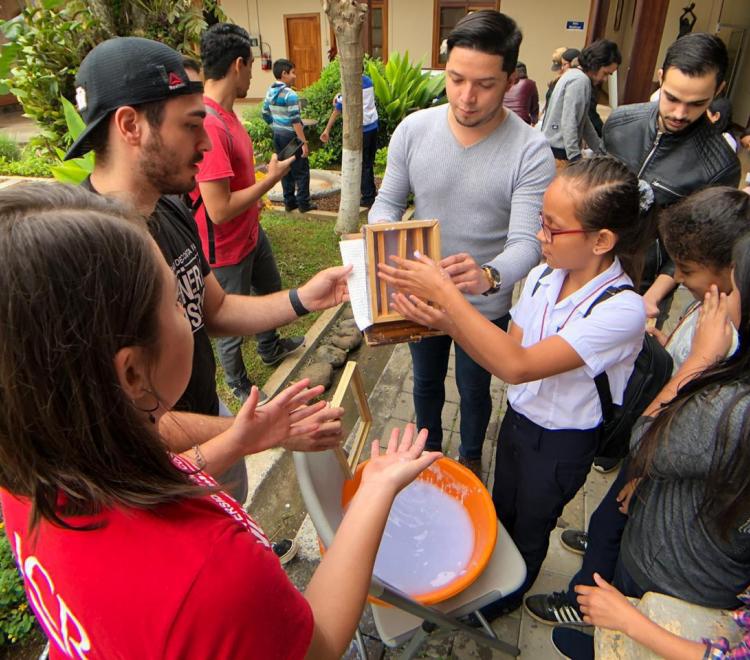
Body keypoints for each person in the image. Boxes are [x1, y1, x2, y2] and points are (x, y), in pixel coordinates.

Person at [0, 182, 442, 657]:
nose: (187, 310)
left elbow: (155, 479)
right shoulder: (213, 577)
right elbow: (321, 643)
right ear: (131, 372)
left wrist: (242, 439)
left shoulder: (32, 476)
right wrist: (375, 487)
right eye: (173, 300)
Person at [63, 36, 349, 506]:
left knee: (237, 506)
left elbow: (214, 307)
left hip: (207, 410)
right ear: (130, 125)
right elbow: (129, 419)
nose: (204, 142)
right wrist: (257, 431)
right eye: (191, 126)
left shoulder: (170, 207)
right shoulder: (89, 255)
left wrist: (303, 299)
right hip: (165, 468)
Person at [380, 155, 647, 618]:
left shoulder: (622, 311)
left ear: (602, 240)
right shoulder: (547, 274)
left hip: (563, 442)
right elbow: (509, 349)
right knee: (502, 507)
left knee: (531, 527)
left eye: (551, 228)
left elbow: (518, 366)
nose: (539, 236)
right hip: (520, 422)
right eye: (541, 222)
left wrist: (447, 296)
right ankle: (490, 576)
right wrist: (445, 319)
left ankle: (507, 596)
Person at [525, 185, 750, 628]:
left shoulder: (731, 388)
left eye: (688, 270)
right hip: (664, 476)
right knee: (611, 522)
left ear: (734, 272)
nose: (679, 280)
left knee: (617, 528)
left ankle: (584, 605)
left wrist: (699, 361)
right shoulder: (718, 309)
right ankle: (597, 557)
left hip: (672, 534)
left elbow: (650, 438)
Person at [368, 10, 555, 477]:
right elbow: (386, 203)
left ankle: (471, 457)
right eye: (456, 79)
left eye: (485, 84)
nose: (467, 97)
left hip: (483, 306)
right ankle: (425, 459)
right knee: (426, 381)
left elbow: (525, 244)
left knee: (474, 390)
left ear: (511, 79)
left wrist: (489, 274)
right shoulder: (414, 129)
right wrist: (385, 244)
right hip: (422, 298)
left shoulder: (530, 150)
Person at [190, 24, 304, 404]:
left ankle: (271, 349)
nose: (253, 74)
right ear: (238, 64)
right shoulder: (209, 122)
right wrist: (270, 180)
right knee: (230, 322)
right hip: (225, 248)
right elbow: (218, 210)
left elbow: (232, 182)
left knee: (270, 293)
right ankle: (237, 381)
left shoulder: (228, 115)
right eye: (251, 66)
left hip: (251, 235)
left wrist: (258, 178)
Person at [602, 32, 741, 331]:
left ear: (719, 90)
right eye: (672, 98)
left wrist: (652, 296)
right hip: (589, 259)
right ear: (661, 77)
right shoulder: (621, 123)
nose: (679, 113)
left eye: (696, 104)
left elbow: (696, 250)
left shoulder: (719, 166)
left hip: (645, 285)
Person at [541, 40, 620, 164]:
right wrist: (575, 158)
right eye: (605, 73)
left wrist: (600, 150)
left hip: (556, 150)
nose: (604, 79)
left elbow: (583, 120)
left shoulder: (573, 74)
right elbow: (569, 121)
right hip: (560, 153)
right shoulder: (580, 81)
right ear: (596, 63)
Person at [262, 58, 316, 213]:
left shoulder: (270, 91)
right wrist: (303, 142)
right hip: (292, 138)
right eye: (292, 73)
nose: (294, 76)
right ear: (284, 74)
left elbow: (264, 113)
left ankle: (289, 202)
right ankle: (304, 204)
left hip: (278, 136)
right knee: (302, 170)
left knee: (285, 169)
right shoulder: (290, 94)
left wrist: (276, 126)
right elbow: (295, 121)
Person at [320, 70, 380, 208]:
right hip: (373, 127)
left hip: (362, 130)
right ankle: (371, 192)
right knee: (368, 163)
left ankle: (368, 197)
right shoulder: (368, 81)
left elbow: (337, 110)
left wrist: (327, 130)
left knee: (363, 164)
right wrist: (339, 95)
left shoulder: (351, 86)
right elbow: (345, 97)